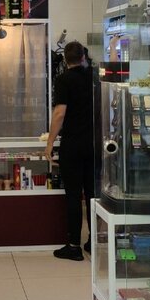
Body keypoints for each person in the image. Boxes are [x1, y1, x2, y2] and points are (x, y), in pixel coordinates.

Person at [46, 41, 96, 262]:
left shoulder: (64, 79)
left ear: (65, 60)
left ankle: (74, 245)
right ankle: (93, 242)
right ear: (83, 57)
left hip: (73, 145)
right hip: (94, 145)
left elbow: (59, 114)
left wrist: (49, 143)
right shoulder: (94, 77)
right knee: (93, 195)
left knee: (74, 196)